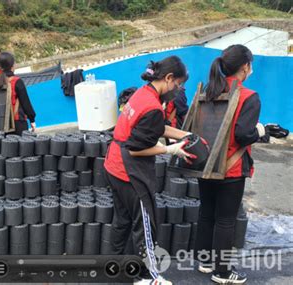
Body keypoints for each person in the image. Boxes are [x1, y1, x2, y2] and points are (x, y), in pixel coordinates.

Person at [104, 56, 198, 285]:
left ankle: (113, 268)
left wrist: (184, 135)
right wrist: (170, 150)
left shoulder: (142, 93)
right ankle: (150, 277)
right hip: (129, 172)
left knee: (122, 221)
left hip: (113, 165)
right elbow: (137, 149)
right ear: (168, 79)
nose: (178, 90)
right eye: (178, 85)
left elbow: (155, 127)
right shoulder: (154, 106)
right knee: (145, 226)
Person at [194, 45, 264, 284]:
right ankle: (222, 273)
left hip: (205, 164)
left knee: (207, 213)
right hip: (231, 169)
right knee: (225, 220)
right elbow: (244, 134)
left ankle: (204, 261)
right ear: (245, 67)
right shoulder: (248, 96)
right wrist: (261, 131)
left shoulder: (209, 91)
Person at [0, 52, 36, 135]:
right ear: (12, 66)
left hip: (2, 123)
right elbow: (26, 103)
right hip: (18, 122)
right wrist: (32, 120)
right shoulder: (17, 81)